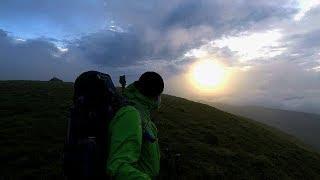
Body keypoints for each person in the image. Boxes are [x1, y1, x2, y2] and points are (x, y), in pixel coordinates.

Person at [106, 72, 164, 179]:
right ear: (155, 95)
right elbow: (118, 167)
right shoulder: (131, 113)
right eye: (160, 95)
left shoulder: (142, 112)